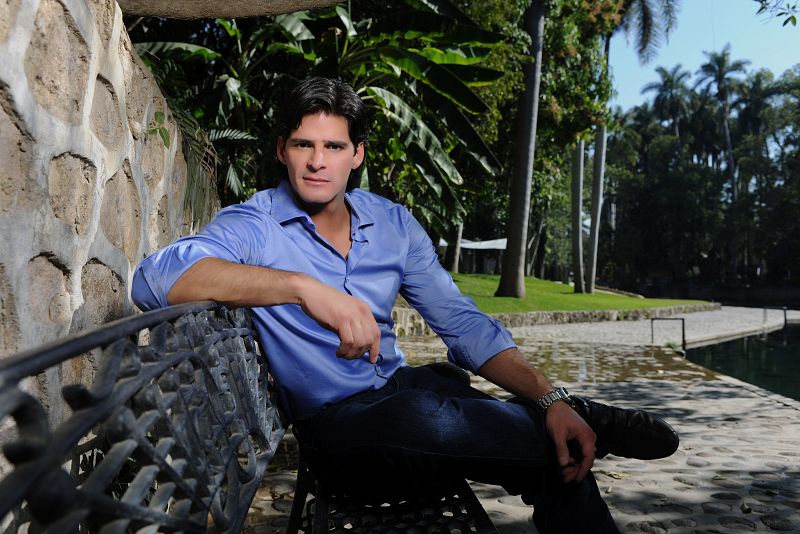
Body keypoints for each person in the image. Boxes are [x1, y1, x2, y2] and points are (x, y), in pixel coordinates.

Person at [132, 76, 678, 533]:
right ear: (282, 150)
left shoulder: (392, 224)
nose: (317, 162)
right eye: (303, 145)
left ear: (357, 155)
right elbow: (155, 279)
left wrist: (547, 396)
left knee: (526, 443)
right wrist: (303, 287)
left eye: (334, 147)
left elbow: (462, 324)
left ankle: (564, 414)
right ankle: (582, 422)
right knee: (431, 417)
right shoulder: (255, 224)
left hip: (407, 393)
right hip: (338, 430)